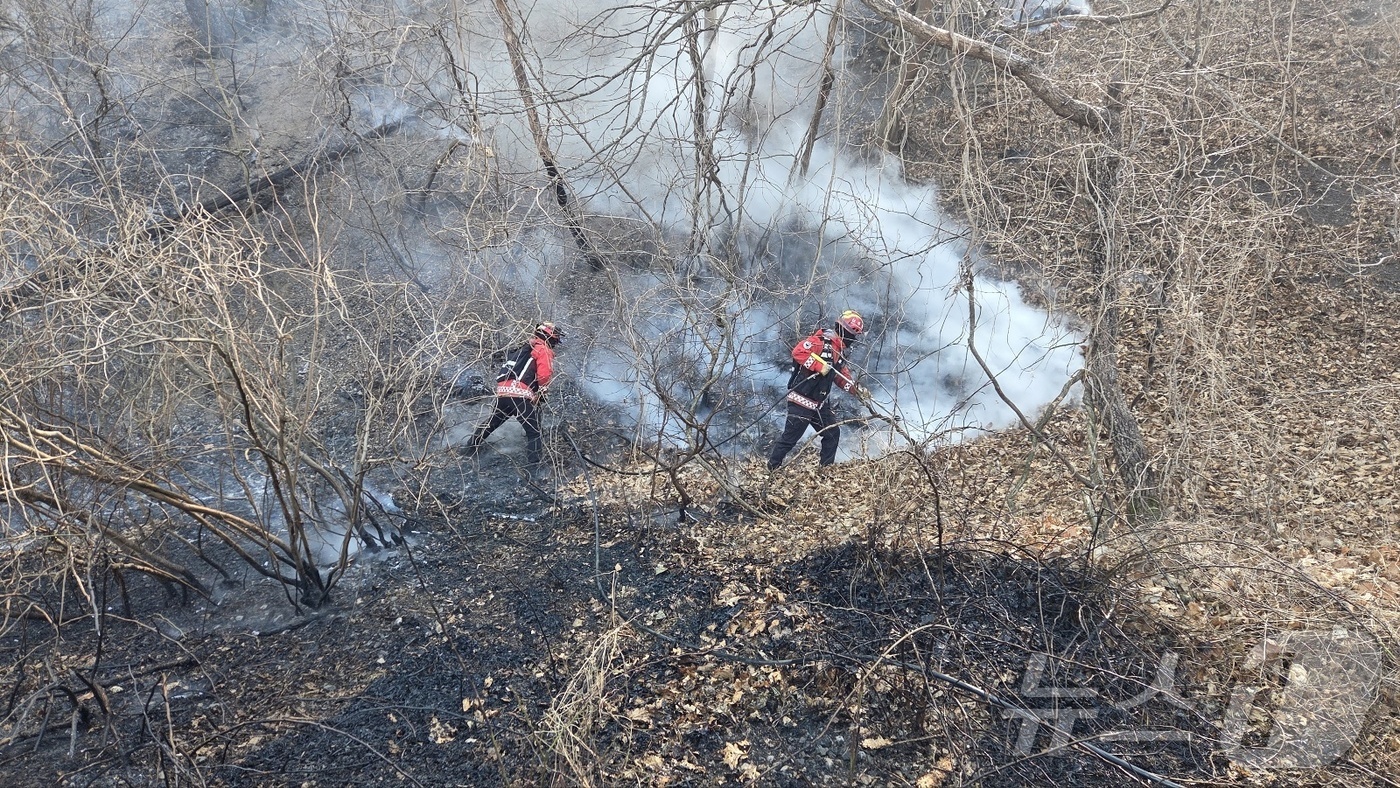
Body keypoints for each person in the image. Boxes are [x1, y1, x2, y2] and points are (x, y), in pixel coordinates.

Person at [767, 310, 871, 470]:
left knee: (832, 434)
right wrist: (818, 366)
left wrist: (857, 390)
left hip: (819, 404)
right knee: (789, 439)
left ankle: (825, 471)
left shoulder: (838, 352)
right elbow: (797, 352)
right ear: (843, 330)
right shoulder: (819, 342)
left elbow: (840, 377)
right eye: (851, 334)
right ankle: (772, 470)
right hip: (801, 401)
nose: (852, 339)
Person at [463, 322, 562, 465]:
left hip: (503, 393)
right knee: (533, 432)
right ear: (550, 338)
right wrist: (542, 392)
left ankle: (468, 450)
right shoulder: (542, 349)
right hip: (518, 395)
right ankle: (534, 468)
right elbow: (544, 375)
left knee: (491, 423)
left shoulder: (524, 348)